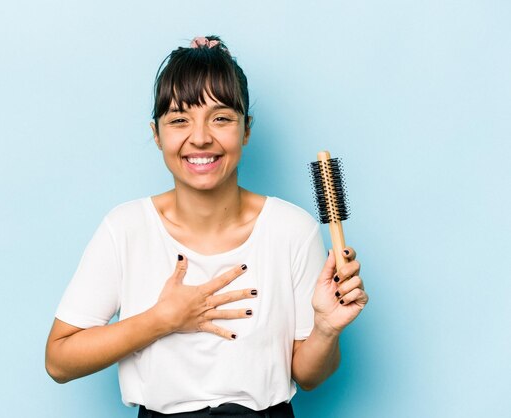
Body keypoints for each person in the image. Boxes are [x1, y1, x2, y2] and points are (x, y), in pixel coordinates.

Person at [45, 35, 369, 418]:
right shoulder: (125, 228)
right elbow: (59, 361)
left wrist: (327, 330)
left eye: (220, 118)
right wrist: (162, 319)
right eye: (179, 120)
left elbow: (309, 375)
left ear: (246, 130)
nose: (199, 138)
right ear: (156, 133)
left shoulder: (292, 230)